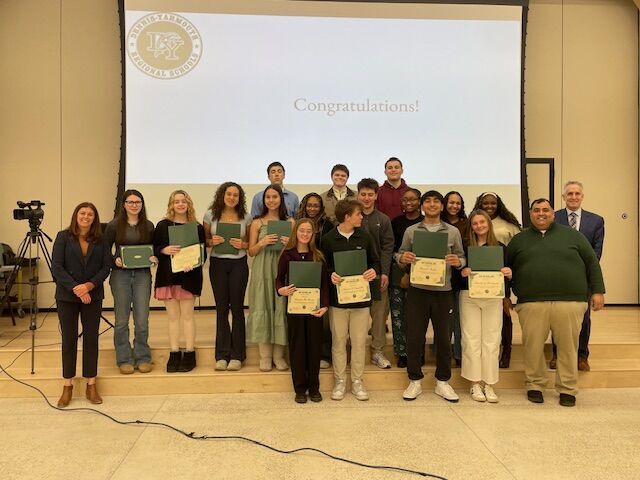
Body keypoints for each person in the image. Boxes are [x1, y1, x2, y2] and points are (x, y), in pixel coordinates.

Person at [507, 198, 605, 407]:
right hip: (531, 303)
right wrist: (506, 295)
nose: (541, 214)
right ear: (530, 213)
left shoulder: (574, 236)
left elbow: (591, 263)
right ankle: (535, 385)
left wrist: (597, 291)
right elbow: (505, 269)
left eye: (546, 210)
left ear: (553, 213)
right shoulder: (519, 240)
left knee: (569, 347)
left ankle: (567, 388)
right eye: (536, 210)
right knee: (533, 347)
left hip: (570, 302)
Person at [398, 190, 465, 403]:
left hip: (443, 292)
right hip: (417, 290)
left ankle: (443, 381)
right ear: (422, 205)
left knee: (444, 338)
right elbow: (399, 255)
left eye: (437, 201)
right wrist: (404, 258)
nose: (432, 204)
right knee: (415, 336)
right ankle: (415, 379)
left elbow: (462, 257)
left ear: (442, 206)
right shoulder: (411, 230)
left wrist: (458, 262)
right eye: (428, 201)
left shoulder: (452, 231)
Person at [51, 202, 112, 407]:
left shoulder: (101, 239)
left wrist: (89, 286)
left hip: (92, 295)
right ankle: (67, 385)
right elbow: (57, 267)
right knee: (69, 339)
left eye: (90, 214)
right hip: (67, 296)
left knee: (91, 339)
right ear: (76, 215)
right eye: (82, 213)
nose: (86, 217)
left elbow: (106, 267)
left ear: (94, 218)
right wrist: (77, 288)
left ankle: (91, 384)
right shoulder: (63, 236)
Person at [321, 198, 379, 401]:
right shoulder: (328, 239)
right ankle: (339, 381)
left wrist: (374, 271)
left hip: (361, 301)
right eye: (358, 214)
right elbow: (323, 266)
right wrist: (330, 274)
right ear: (347, 217)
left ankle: (357, 381)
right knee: (338, 342)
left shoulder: (365, 236)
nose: (361, 217)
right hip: (338, 302)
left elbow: (375, 262)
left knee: (359, 343)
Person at [549, 181, 605, 371]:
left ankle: (582, 356)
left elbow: (596, 253)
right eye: (569, 194)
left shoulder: (596, 221)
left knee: (584, 318)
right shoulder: (553, 217)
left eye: (577, 193)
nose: (573, 197)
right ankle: (556, 354)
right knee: (557, 317)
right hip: (557, 276)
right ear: (563, 197)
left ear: (582, 196)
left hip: (583, 277)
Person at [459, 209, 512, 403]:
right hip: (469, 297)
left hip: (492, 298)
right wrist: (462, 272)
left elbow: (507, 274)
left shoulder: (500, 248)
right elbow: (456, 274)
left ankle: (489, 384)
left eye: (482, 222)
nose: (479, 226)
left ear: (488, 224)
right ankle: (474, 384)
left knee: (491, 340)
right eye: (475, 223)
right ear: (471, 227)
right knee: (471, 339)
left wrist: (508, 273)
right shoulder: (465, 248)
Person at [276, 218, 330, 403]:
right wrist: (280, 290)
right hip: (295, 309)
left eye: (309, 231)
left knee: (314, 349)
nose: (305, 234)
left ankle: (314, 388)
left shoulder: (318, 255)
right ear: (296, 233)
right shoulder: (287, 254)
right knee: (297, 348)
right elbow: (278, 279)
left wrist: (324, 306)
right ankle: (299, 389)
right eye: (302, 231)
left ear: (313, 234)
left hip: (315, 310)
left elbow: (324, 285)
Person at [153, 190, 205, 373]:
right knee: (173, 317)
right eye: (177, 202)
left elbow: (202, 253)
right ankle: (174, 352)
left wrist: (194, 262)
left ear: (188, 204)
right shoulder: (162, 225)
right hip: (168, 276)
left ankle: (190, 352)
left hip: (188, 277)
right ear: (171, 205)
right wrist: (164, 250)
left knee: (188, 316)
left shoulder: (196, 227)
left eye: (184, 201)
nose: (180, 204)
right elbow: (155, 248)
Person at [104, 190, 156, 375]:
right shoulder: (113, 226)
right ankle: (124, 358)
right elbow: (104, 250)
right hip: (120, 276)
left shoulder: (149, 226)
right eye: (131, 202)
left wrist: (153, 258)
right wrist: (113, 261)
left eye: (138, 202)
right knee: (121, 320)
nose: (134, 205)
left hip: (142, 275)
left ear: (142, 205)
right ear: (124, 204)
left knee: (142, 319)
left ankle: (142, 357)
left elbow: (154, 250)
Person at [203, 182, 249, 372]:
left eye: (236, 195)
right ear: (222, 195)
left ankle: (238, 355)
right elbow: (204, 241)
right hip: (218, 264)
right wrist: (211, 241)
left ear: (240, 198)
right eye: (229, 194)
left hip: (239, 264)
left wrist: (243, 245)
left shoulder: (246, 217)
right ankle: (221, 355)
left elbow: (250, 243)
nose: (232, 198)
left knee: (237, 309)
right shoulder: (209, 215)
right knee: (221, 309)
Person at [247, 184, 292, 372]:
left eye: (275, 197)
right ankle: (264, 357)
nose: (271, 200)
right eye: (268, 197)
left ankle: (278, 356)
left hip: (282, 269)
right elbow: (250, 251)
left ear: (281, 199)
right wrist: (262, 242)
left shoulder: (290, 222)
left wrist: (288, 244)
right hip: (262, 271)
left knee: (280, 308)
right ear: (263, 200)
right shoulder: (257, 223)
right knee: (263, 307)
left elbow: (296, 250)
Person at [473, 192, 521, 368]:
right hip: (478, 278)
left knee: (504, 316)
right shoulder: (475, 223)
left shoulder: (509, 225)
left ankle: (506, 352)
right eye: (485, 203)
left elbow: (515, 252)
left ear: (498, 204)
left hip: (500, 277)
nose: (489, 206)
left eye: (493, 203)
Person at [357, 178, 395, 369]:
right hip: (354, 277)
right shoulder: (351, 218)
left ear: (376, 196)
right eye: (363, 194)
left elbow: (388, 248)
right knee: (356, 315)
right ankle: (356, 351)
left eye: (370, 194)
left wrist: (385, 273)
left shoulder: (383, 219)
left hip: (378, 274)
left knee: (379, 315)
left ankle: (377, 352)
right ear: (358, 195)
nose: (366, 198)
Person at [296, 192, 335, 369]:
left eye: (316, 205)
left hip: (320, 271)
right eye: (309, 205)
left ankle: (324, 354)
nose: (312, 208)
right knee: (301, 313)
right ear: (304, 205)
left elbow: (327, 249)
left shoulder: (327, 225)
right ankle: (301, 354)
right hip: (300, 272)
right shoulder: (297, 223)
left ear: (321, 207)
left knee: (322, 315)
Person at [390, 188, 423, 367]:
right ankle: (402, 353)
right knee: (398, 316)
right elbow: (394, 249)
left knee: (418, 316)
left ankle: (417, 352)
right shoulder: (396, 222)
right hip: (399, 273)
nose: (408, 203)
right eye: (405, 200)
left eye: (412, 199)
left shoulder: (426, 222)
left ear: (420, 201)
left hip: (424, 276)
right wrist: (403, 270)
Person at [441, 190, 469, 368]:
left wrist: (459, 262)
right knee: (443, 320)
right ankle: (441, 353)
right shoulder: (438, 224)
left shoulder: (467, 224)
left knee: (460, 319)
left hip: (461, 277)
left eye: (458, 203)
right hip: (439, 278)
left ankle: (459, 354)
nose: (454, 206)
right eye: (451, 202)